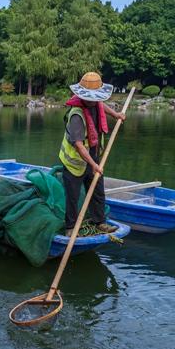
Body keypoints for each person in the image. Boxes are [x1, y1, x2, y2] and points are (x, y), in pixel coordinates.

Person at [59, 72, 126, 236]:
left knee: (97, 190)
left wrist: (116, 115)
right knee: (73, 197)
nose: (93, 100)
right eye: (90, 98)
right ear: (82, 96)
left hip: (93, 155)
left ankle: (100, 222)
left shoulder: (95, 103)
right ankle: (70, 228)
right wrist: (94, 165)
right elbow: (79, 146)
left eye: (96, 97)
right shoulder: (76, 115)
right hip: (75, 162)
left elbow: (102, 105)